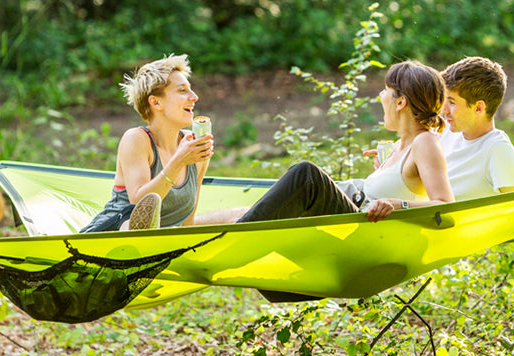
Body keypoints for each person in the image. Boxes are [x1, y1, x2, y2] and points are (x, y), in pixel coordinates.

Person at [233, 60, 455, 224]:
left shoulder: (425, 141)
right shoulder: (398, 146)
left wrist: (400, 205)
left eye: (386, 90)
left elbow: (446, 209)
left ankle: (237, 240)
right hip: (354, 207)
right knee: (250, 210)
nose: (380, 95)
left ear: (400, 102)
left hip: (364, 229)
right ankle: (215, 230)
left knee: (306, 175)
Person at [79, 54, 214, 233]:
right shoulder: (136, 139)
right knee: (136, 222)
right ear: (156, 102)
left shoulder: (192, 145)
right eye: (182, 90)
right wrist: (179, 160)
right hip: (116, 233)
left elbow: (188, 219)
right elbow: (139, 202)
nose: (194, 97)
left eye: (191, 89)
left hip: (166, 238)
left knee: (241, 215)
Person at [438, 56, 514, 198]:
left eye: (452, 102)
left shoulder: (496, 149)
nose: (444, 110)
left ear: (479, 108)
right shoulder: (445, 133)